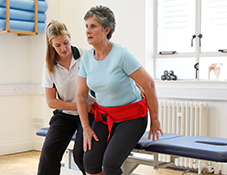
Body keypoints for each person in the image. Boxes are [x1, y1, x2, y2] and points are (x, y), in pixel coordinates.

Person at [76, 5, 163, 175]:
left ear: (107, 29)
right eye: (86, 26)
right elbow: (80, 95)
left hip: (132, 118)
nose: (88, 31)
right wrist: (86, 127)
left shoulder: (121, 54)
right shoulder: (87, 58)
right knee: (90, 163)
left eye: (93, 26)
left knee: (110, 164)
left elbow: (149, 85)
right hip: (104, 117)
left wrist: (154, 119)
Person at [38, 19, 95, 175]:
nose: (63, 48)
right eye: (58, 45)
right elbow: (51, 102)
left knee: (81, 155)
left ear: (70, 37)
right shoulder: (49, 66)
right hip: (66, 115)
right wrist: (79, 106)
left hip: (90, 115)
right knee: (49, 153)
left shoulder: (86, 56)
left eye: (66, 42)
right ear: (51, 45)